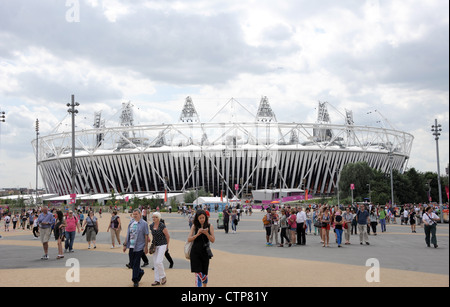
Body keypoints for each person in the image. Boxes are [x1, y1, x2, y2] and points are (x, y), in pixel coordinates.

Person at [188, 210, 215, 287]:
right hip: (195, 252)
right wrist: (197, 234)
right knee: (198, 273)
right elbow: (189, 239)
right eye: (200, 218)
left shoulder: (210, 226)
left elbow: (213, 240)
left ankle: (204, 285)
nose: (202, 219)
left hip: (205, 252)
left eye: (203, 217)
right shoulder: (194, 226)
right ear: (197, 219)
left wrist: (207, 233)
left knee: (204, 273)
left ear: (206, 218)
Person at [123, 209, 149, 287]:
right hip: (131, 246)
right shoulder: (131, 222)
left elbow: (146, 235)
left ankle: (135, 280)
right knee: (131, 264)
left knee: (136, 264)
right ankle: (140, 272)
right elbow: (128, 234)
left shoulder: (144, 224)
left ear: (140, 214)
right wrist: (125, 244)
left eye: (136, 214)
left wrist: (146, 247)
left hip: (139, 246)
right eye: (133, 214)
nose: (134, 216)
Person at [149, 212, 170, 286]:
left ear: (159, 218)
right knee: (155, 263)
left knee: (158, 262)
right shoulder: (151, 226)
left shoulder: (162, 226)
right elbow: (153, 236)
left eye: (156, 217)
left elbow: (167, 236)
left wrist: (167, 246)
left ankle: (163, 276)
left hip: (163, 245)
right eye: (153, 217)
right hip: (155, 245)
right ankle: (157, 280)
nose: (154, 218)